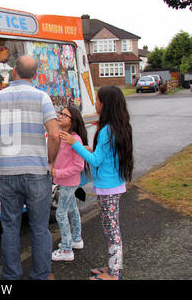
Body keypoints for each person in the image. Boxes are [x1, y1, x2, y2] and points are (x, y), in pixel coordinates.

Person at [0, 55, 60, 280]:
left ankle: (11, 275)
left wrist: (1, 161)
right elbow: (54, 134)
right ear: (34, 75)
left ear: (14, 72)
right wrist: (50, 161)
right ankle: (41, 275)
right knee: (39, 228)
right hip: (37, 174)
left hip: (8, 175)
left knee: (10, 228)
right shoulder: (42, 97)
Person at [60, 86, 134, 280]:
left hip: (107, 188)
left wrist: (74, 144)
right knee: (111, 228)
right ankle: (111, 268)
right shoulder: (116, 127)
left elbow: (94, 161)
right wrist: (89, 149)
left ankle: (114, 273)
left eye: (98, 100)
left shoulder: (106, 131)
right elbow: (104, 155)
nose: (95, 103)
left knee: (112, 231)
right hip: (112, 185)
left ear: (106, 104)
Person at [50, 106, 88, 262]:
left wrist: (57, 173)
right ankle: (76, 239)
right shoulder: (64, 136)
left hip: (68, 183)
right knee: (72, 210)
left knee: (60, 213)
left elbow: (78, 166)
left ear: (73, 120)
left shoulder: (75, 139)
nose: (60, 116)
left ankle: (66, 249)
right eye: (60, 113)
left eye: (64, 115)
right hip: (65, 182)